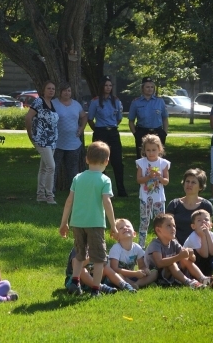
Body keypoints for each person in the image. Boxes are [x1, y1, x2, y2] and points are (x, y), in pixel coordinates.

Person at [59, 141, 118, 297]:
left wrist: (63, 223)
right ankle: (95, 289)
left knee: (80, 254)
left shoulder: (78, 178)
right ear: (106, 161)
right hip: (95, 224)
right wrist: (113, 225)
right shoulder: (104, 180)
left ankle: (75, 281)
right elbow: (107, 202)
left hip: (77, 223)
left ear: (86, 159)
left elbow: (69, 201)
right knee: (99, 259)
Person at [87, 76, 127, 196]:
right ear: (101, 87)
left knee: (117, 162)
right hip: (100, 132)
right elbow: (90, 119)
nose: (108, 88)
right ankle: (100, 188)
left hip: (113, 132)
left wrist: (111, 126)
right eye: (106, 85)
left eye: (110, 85)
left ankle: (121, 190)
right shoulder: (95, 101)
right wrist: (98, 129)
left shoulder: (116, 101)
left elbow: (119, 118)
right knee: (98, 160)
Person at [144, 213, 206, 288]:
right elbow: (159, 263)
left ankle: (203, 279)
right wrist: (179, 256)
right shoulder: (155, 244)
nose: (173, 228)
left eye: (174, 226)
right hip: (156, 275)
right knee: (171, 263)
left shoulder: (173, 242)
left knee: (184, 259)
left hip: (170, 273)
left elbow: (191, 259)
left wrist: (191, 255)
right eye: (169, 226)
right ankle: (189, 282)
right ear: (158, 230)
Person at [26, 81, 60, 204]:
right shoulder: (39, 102)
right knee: (51, 166)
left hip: (52, 141)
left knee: (44, 168)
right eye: (48, 88)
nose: (51, 90)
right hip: (41, 140)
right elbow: (28, 117)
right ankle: (49, 196)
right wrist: (30, 134)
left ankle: (40, 195)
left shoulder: (52, 103)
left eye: (53, 89)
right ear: (43, 90)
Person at [135, 134, 170, 247]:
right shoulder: (142, 162)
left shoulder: (163, 163)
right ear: (144, 150)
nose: (151, 153)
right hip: (145, 197)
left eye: (154, 150)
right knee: (144, 221)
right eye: (148, 150)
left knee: (160, 222)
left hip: (158, 198)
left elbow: (166, 181)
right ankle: (141, 245)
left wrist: (159, 177)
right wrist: (149, 177)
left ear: (159, 149)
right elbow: (139, 180)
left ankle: (161, 244)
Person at [53, 81, 88, 191]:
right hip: (57, 142)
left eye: (69, 90)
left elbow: (84, 117)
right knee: (54, 168)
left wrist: (81, 128)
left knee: (72, 168)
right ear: (60, 92)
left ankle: (74, 190)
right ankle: (50, 190)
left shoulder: (76, 104)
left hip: (73, 143)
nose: (67, 93)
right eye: (64, 91)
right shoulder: (53, 104)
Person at [165, 168, 213, 245]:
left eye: (193, 182)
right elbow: (167, 227)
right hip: (174, 246)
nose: (189, 184)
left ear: (200, 187)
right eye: (187, 181)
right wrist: (178, 247)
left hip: (199, 247)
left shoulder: (206, 205)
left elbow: (208, 229)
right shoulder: (174, 204)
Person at [107, 218, 158, 290]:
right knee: (118, 275)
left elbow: (142, 266)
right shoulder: (116, 248)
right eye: (121, 228)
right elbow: (114, 269)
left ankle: (137, 284)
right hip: (119, 276)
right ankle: (134, 284)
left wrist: (144, 270)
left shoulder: (137, 247)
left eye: (128, 226)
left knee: (154, 272)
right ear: (116, 236)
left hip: (132, 276)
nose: (125, 228)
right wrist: (135, 273)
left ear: (134, 233)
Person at [128, 77, 169, 156]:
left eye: (152, 87)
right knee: (142, 158)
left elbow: (165, 118)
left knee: (158, 158)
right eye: (147, 87)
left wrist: (164, 133)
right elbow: (131, 121)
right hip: (142, 132)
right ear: (142, 88)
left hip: (157, 132)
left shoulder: (160, 101)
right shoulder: (136, 102)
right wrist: (136, 134)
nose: (150, 89)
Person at [182, 209, 213, 283]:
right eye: (199, 220)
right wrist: (203, 236)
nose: (203, 222)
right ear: (193, 226)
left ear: (211, 225)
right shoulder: (193, 236)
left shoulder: (212, 235)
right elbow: (204, 255)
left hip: (204, 263)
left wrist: (207, 234)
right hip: (193, 265)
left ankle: (208, 275)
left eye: (206, 219)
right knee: (198, 254)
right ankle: (201, 277)